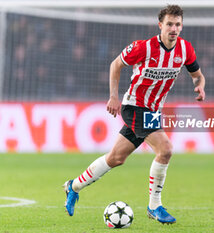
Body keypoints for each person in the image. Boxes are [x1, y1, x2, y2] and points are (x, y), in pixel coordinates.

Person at [63, 4, 206, 224]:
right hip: (134, 107)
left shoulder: (185, 49)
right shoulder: (143, 47)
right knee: (165, 149)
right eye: (169, 24)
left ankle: (73, 187)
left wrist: (199, 85)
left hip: (153, 111)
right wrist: (113, 96)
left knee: (116, 158)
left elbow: (197, 75)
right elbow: (116, 65)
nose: (173, 29)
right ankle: (154, 206)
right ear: (160, 25)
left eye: (177, 24)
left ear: (182, 26)